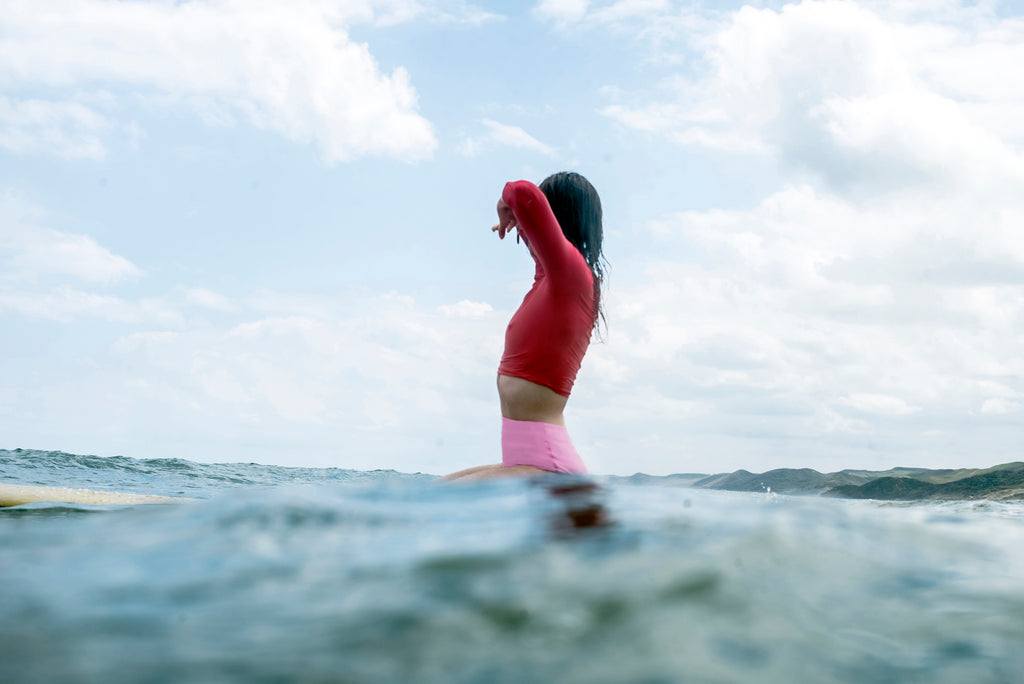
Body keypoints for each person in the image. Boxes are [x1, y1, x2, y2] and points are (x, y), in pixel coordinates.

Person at [442, 172, 607, 481]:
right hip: (532, 462)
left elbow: (521, 192)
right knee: (430, 493)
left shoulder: (571, 274)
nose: (522, 225)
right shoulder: (550, 279)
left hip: (549, 467)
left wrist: (507, 204)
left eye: (528, 219)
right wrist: (519, 220)